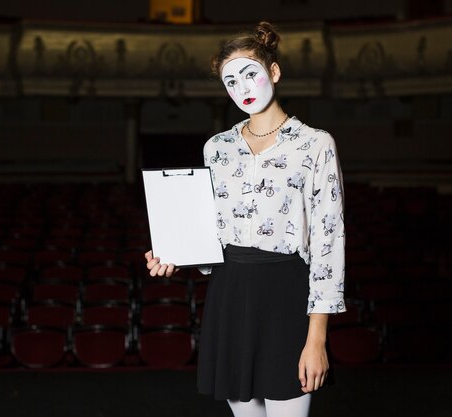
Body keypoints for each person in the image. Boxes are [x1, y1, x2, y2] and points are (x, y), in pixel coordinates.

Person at [145, 21, 346, 417]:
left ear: (274, 72)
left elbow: (329, 240)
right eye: (230, 82)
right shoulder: (216, 148)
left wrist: (317, 337)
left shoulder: (315, 143)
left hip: (286, 295)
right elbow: (212, 236)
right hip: (230, 293)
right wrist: (174, 253)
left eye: (250, 74)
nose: (243, 89)